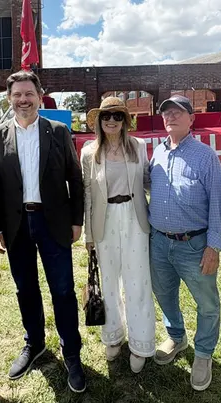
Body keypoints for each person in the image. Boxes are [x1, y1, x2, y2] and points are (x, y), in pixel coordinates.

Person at [0, 70, 86, 392]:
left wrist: (77, 220)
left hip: (53, 223)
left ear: (39, 96)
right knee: (25, 290)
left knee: (63, 291)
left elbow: (76, 179)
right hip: (16, 227)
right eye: (17, 95)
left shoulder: (58, 131)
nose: (23, 100)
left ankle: (71, 352)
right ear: (9, 98)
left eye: (29, 93)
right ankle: (35, 343)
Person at [148, 95, 221, 391]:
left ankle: (204, 354)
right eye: (166, 112)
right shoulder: (156, 153)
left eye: (178, 112)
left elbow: (219, 203)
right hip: (158, 242)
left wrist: (213, 246)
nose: (171, 116)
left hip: (194, 245)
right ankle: (176, 337)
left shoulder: (205, 155)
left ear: (191, 119)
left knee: (207, 303)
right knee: (165, 294)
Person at [81, 97, 155, 373]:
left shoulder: (139, 146)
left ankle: (140, 343)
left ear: (125, 120)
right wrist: (88, 234)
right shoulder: (90, 152)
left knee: (137, 281)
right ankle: (113, 335)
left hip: (134, 218)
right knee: (109, 281)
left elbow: (148, 181)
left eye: (117, 115)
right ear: (99, 121)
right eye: (106, 116)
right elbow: (88, 193)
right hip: (104, 219)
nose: (111, 120)